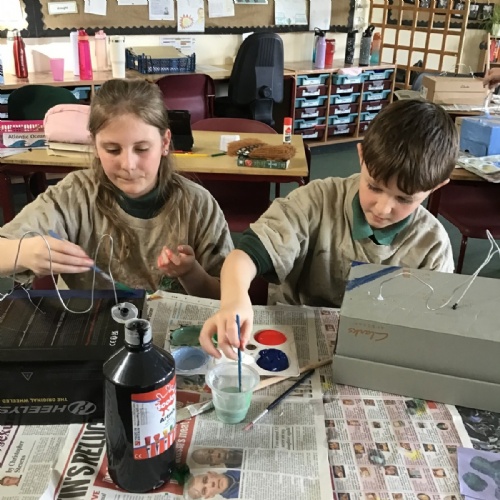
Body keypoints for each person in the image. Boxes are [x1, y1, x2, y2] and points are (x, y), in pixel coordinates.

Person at [199, 99, 458, 359]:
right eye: (374, 187)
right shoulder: (316, 200)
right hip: (293, 339)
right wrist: (234, 299)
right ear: (361, 156)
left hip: (376, 352)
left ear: (436, 187)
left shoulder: (432, 246)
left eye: (404, 199)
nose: (382, 208)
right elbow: (247, 254)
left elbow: (432, 329)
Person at [0, 79, 232, 296]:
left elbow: (226, 294)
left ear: (164, 142)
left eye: (141, 149)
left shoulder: (197, 204)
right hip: (94, 321)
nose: (128, 165)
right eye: (112, 150)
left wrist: (191, 273)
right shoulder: (74, 195)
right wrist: (26, 252)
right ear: (94, 145)